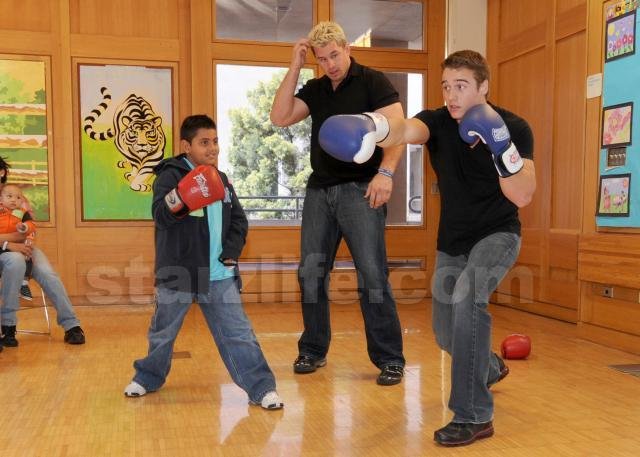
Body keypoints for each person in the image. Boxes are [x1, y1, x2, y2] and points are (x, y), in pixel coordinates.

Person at [319, 50, 536, 446]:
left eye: (461, 86)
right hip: (453, 241)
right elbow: (405, 131)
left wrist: (500, 146)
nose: (451, 95)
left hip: (497, 234)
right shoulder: (437, 121)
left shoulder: (514, 128)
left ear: (483, 87)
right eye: (446, 86)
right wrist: (371, 126)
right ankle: (487, 366)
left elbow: (522, 195)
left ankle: (473, 415)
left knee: (468, 299)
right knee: (445, 332)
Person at [270, 21, 406, 385]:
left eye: (334, 55)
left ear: (347, 48)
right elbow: (280, 117)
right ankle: (313, 349)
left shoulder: (373, 82)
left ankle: (390, 358)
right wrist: (295, 66)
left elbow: (398, 130)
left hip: (362, 190)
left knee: (372, 275)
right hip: (320, 191)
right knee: (310, 272)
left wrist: (386, 173)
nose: (330, 64)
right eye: (322, 59)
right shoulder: (316, 89)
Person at [123, 115, 283, 410]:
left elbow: (239, 221)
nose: (213, 148)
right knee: (163, 333)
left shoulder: (221, 178)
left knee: (239, 334)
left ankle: (261, 388)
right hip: (179, 271)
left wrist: (231, 250)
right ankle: (148, 377)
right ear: (186, 146)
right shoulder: (169, 175)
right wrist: (186, 195)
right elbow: (160, 216)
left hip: (219, 272)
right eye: (204, 142)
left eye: (215, 141)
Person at [0, 157, 85, 346]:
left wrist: (20, 241)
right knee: (15, 261)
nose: (14, 200)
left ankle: (72, 325)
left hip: (22, 247)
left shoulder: (17, 198)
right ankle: (8, 327)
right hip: (9, 252)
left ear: (2, 172)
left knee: (47, 273)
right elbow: (16, 236)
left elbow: (28, 229)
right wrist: (8, 244)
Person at [0, 183, 36, 301]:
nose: (13, 200)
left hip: (18, 244)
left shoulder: (21, 212)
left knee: (28, 256)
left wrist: (24, 227)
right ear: (1, 199)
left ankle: (24, 283)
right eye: (9, 196)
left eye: (18, 197)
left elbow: (31, 225)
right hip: (1, 245)